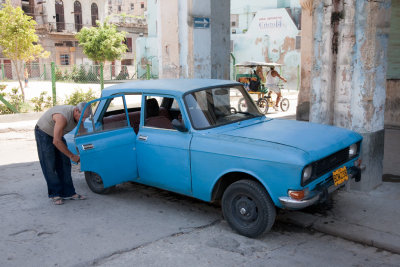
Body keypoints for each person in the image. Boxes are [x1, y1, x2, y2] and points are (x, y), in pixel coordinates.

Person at [35, 102, 91, 205]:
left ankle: (69, 193)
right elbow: (56, 141)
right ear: (76, 111)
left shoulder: (80, 116)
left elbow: (82, 131)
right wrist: (72, 155)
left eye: (86, 118)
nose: (83, 120)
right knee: (49, 164)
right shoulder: (62, 117)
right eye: (82, 117)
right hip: (44, 132)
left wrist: (84, 148)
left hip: (57, 134)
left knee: (65, 162)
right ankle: (55, 194)